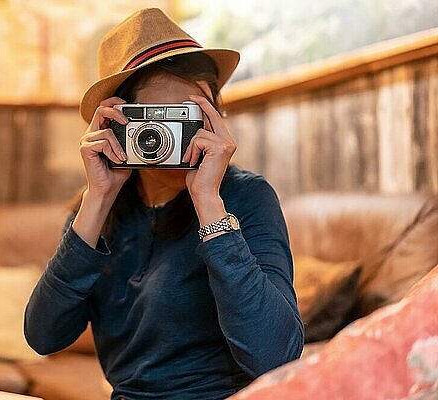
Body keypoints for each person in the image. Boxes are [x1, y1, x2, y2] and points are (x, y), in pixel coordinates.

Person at [24, 8, 304, 400]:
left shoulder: (244, 197)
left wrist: (208, 201)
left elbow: (275, 356)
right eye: (155, 120)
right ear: (118, 124)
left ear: (216, 115)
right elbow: (44, 336)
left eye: (188, 117)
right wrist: (97, 199)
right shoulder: (99, 210)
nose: (174, 138)